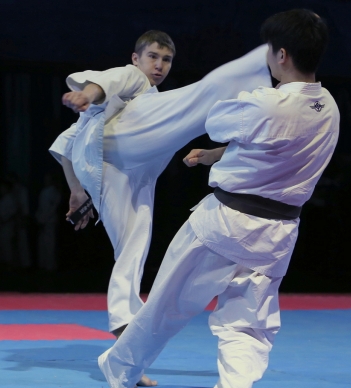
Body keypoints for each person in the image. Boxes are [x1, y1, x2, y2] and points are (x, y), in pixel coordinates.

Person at [98, 10, 339, 388]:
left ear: (282, 55)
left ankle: (121, 371)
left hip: (224, 223)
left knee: (166, 305)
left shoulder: (265, 101)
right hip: (278, 233)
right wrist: (216, 155)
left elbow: (216, 119)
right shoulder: (329, 108)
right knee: (247, 322)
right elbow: (272, 148)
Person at [50, 30, 272, 352]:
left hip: (125, 172)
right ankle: (267, 55)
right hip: (119, 146)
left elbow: (64, 148)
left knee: (133, 243)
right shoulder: (133, 78)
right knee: (196, 98)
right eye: (153, 57)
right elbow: (109, 81)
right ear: (136, 58)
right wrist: (88, 93)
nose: (159, 65)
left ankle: (124, 321)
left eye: (166, 60)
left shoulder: (146, 101)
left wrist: (77, 192)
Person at [35, 174, 61, 271]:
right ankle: (43, 264)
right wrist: (39, 219)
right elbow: (41, 208)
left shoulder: (54, 192)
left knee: (50, 244)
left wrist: (43, 220)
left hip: (49, 222)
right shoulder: (44, 192)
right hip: (43, 221)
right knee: (42, 244)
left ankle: (50, 266)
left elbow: (52, 209)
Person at [7, 172, 31, 269]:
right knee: (14, 242)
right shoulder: (11, 190)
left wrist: (23, 219)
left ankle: (25, 265)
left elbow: (24, 206)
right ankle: (16, 263)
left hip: (20, 218)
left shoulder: (21, 190)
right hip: (13, 219)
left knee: (22, 242)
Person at [0, 180, 17, 269]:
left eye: (3, 188)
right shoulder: (0, 200)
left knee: (7, 247)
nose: (1, 190)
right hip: (0, 226)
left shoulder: (10, 199)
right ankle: (3, 265)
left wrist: (4, 221)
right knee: (1, 246)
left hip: (7, 226)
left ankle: (9, 266)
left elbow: (13, 213)